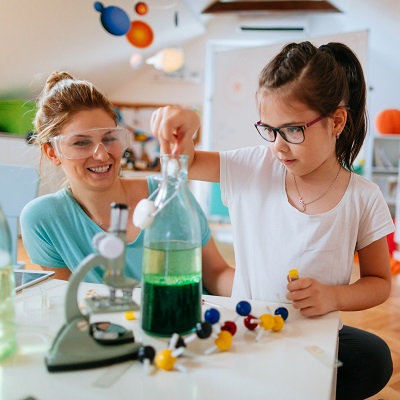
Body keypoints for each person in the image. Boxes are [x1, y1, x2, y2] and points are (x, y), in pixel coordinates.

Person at [150, 42, 394, 399]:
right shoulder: (252, 166)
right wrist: (186, 122)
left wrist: (333, 296)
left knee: (373, 360)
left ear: (337, 121)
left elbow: (379, 282)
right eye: (269, 129)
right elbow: (181, 159)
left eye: (293, 130)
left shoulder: (363, 196)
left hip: (312, 335)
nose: (278, 146)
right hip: (246, 330)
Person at [20, 71, 234, 296]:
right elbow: (71, 304)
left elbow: (217, 274)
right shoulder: (43, 220)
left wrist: (263, 293)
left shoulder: (169, 194)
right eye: (81, 143)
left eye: (110, 138)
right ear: (52, 152)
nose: (102, 155)